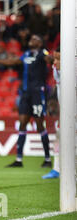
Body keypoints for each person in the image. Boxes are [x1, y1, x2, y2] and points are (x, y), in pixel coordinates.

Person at [0, 35, 53, 168]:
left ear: (40, 43)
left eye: (35, 39)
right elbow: (13, 62)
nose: (32, 39)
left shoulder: (42, 53)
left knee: (40, 125)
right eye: (32, 38)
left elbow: (49, 60)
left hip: (37, 93)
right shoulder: (27, 54)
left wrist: (50, 57)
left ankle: (47, 159)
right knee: (22, 124)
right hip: (25, 93)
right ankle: (18, 160)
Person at [42, 49, 60, 179]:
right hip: (66, 112)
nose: (55, 62)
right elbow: (57, 86)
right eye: (54, 59)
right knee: (59, 139)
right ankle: (57, 169)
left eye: (58, 59)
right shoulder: (56, 69)